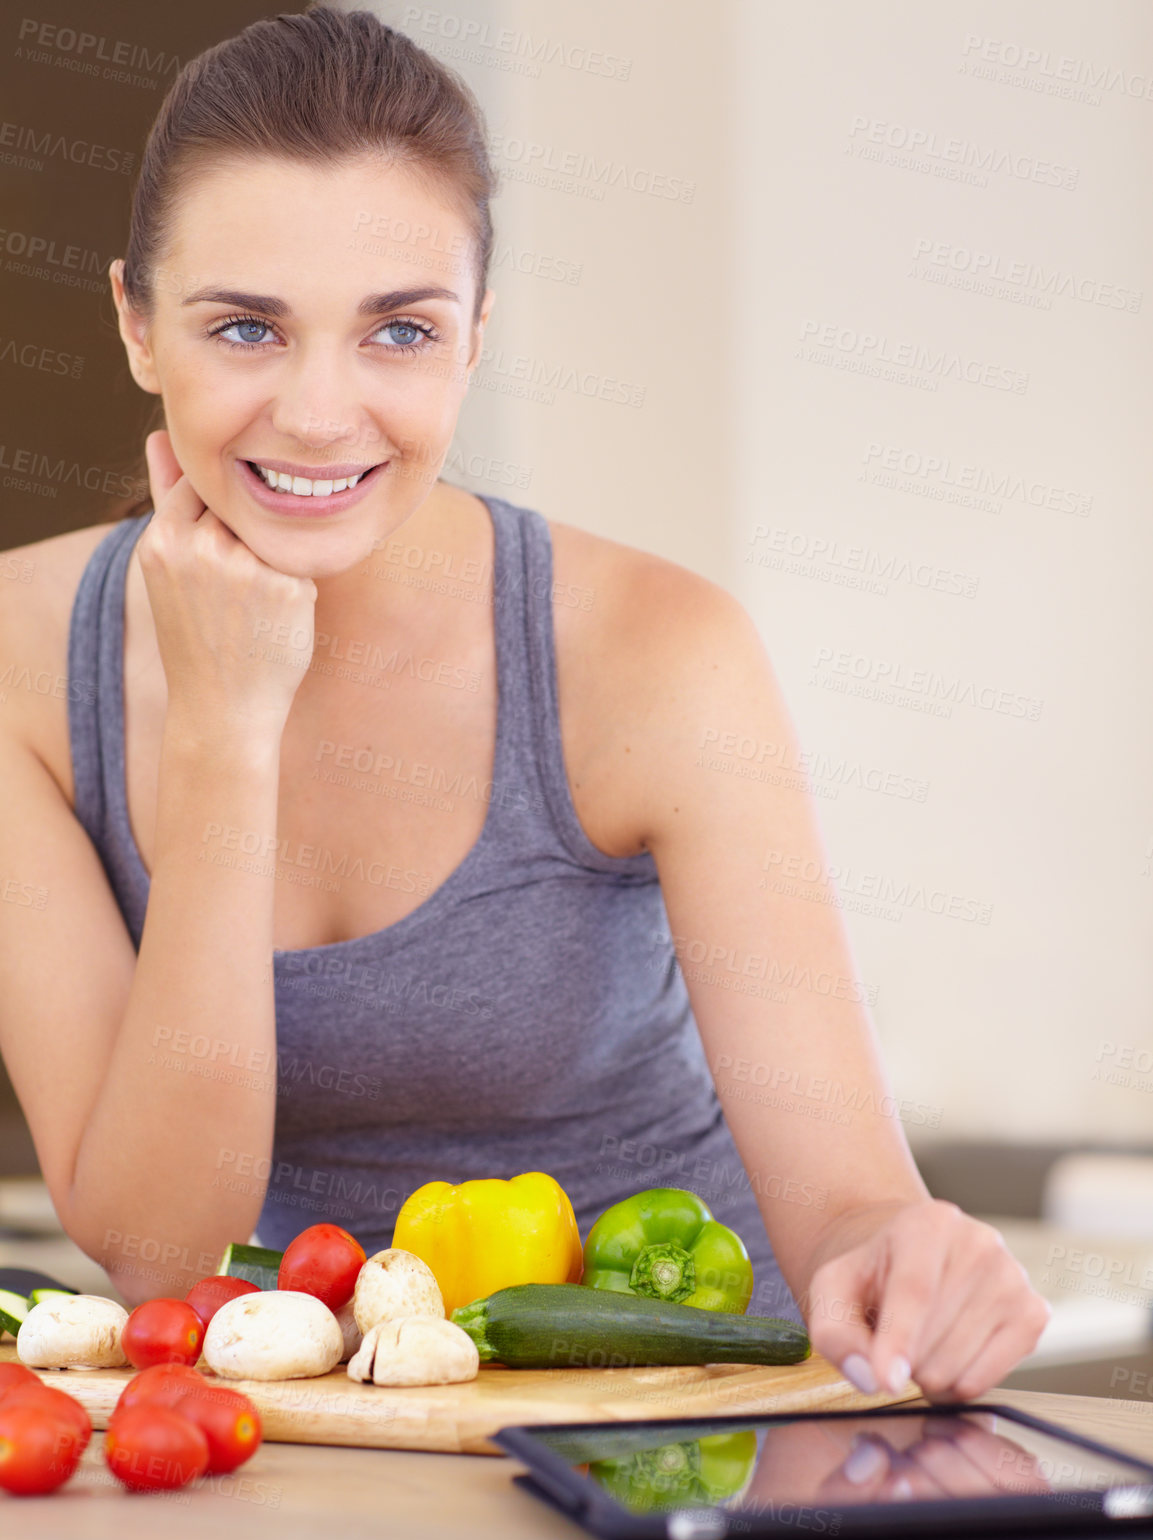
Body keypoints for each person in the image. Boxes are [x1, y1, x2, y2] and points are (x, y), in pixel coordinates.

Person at [0, 5, 1048, 1399]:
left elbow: (851, 1207)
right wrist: (226, 737)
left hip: (669, 1429)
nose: (320, 414)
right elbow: (154, 1249)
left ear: (475, 334)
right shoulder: (24, 661)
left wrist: (912, 1261)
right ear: (136, 325)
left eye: (399, 332)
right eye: (246, 327)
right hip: (312, 1445)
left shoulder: (653, 653)